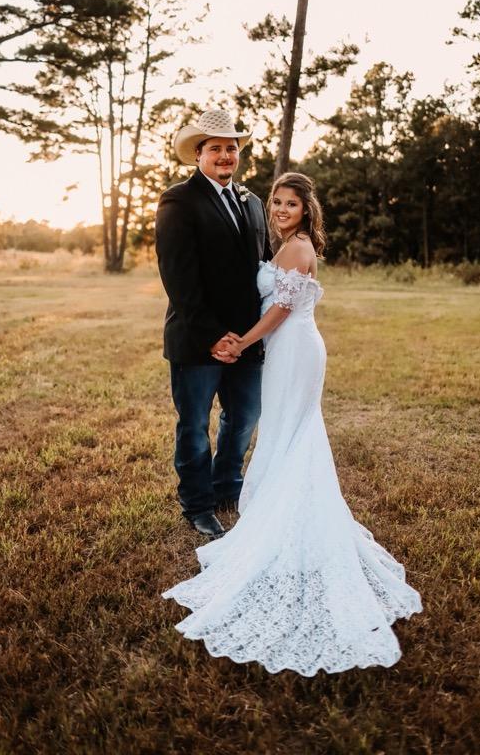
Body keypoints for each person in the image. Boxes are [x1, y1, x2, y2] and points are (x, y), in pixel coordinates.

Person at [162, 172, 423, 676]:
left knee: (292, 435)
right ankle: (268, 510)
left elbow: (281, 309)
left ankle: (290, 519)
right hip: (280, 352)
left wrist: (240, 341)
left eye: (291, 204)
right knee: (282, 433)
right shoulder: (284, 244)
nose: (280, 210)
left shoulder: (300, 249)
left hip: (292, 349)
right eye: (276, 202)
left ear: (307, 210)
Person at [155, 109, 272, 540]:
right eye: (216, 148)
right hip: (198, 339)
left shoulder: (253, 202)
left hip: (246, 341)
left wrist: (248, 337)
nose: (225, 155)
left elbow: (259, 270)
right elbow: (179, 277)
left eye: (231, 148)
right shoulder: (178, 201)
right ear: (199, 154)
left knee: (243, 418)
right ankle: (198, 504)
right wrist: (212, 336)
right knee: (194, 425)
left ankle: (227, 488)